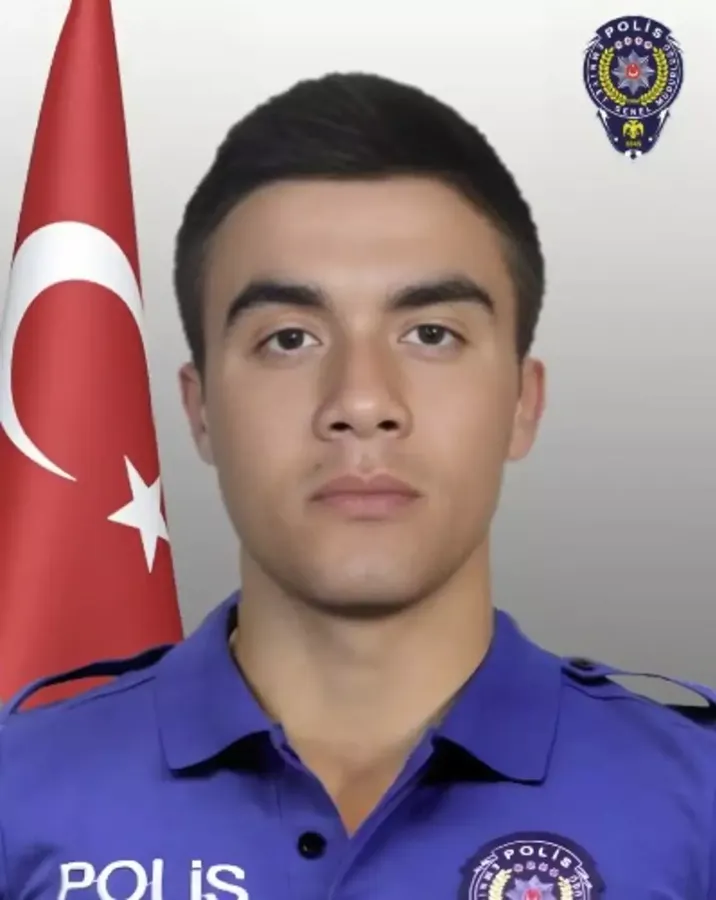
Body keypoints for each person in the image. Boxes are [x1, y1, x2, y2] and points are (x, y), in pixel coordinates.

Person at [1, 72, 714, 900]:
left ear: (523, 404)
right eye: (290, 338)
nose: (362, 401)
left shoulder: (697, 799)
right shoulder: (19, 794)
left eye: (431, 333)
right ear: (200, 412)